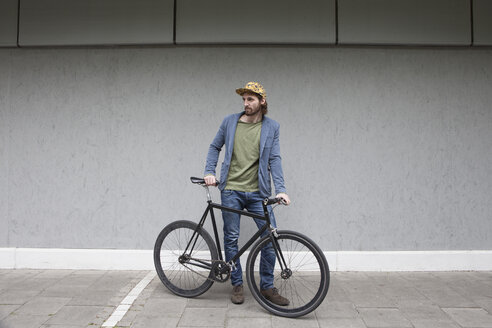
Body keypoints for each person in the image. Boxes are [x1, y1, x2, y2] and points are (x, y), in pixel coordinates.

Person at [203, 81, 291, 305]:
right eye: (244, 99)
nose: (246, 103)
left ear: (262, 101)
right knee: (231, 238)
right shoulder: (230, 122)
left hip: (258, 193)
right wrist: (209, 172)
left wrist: (280, 190)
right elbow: (215, 147)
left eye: (250, 99)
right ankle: (237, 284)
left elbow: (274, 159)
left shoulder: (272, 127)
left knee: (269, 239)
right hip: (231, 189)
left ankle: (267, 287)